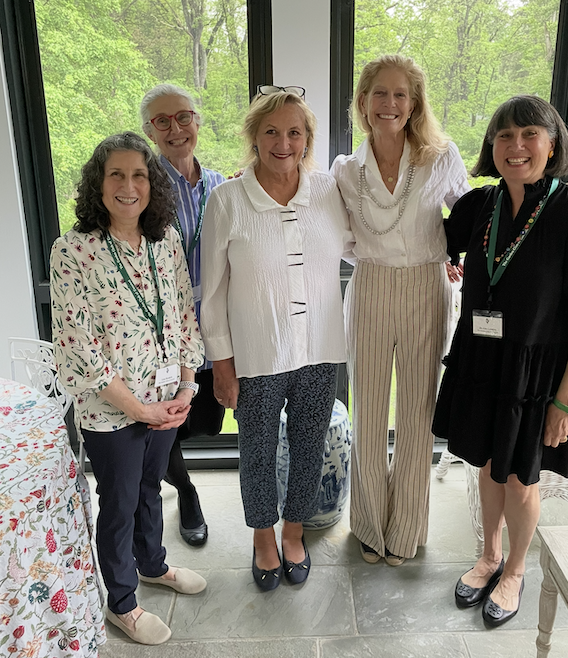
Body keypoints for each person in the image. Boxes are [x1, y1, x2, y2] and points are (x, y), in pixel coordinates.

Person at [433, 95, 568, 626]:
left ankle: (516, 570)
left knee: (522, 480)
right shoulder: (479, 206)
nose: (516, 145)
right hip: (483, 363)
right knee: (487, 464)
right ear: (492, 145)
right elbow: (428, 236)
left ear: (552, 145)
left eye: (530, 134)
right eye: (505, 135)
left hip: (537, 378)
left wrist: (565, 402)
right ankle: (489, 555)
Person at [50, 132, 207, 645]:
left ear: (152, 184)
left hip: (166, 401)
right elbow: (79, 347)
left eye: (139, 174)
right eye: (115, 174)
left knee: (149, 487)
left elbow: (183, 316)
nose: (128, 185)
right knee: (118, 502)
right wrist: (138, 409)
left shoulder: (166, 242)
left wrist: (187, 387)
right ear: (98, 184)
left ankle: (152, 564)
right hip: (112, 410)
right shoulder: (73, 251)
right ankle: (121, 602)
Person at [200, 86, 354, 590]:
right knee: (257, 452)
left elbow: (365, 242)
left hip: (320, 350)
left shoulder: (329, 191)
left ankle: (294, 532)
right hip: (256, 355)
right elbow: (212, 292)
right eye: (271, 131)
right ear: (254, 137)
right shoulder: (227, 200)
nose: (283, 143)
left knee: (310, 448)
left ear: (308, 138)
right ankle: (263, 537)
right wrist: (222, 364)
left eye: (294, 132)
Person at [330, 55, 470, 566]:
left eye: (400, 94)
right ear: (363, 101)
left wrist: (453, 256)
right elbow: (333, 232)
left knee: (417, 411)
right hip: (369, 284)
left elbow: (471, 214)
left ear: (413, 105)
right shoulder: (345, 170)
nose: (389, 103)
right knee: (368, 409)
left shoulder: (440, 156)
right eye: (379, 93)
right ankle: (369, 525)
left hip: (426, 286)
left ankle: (406, 527)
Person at [141, 83, 226, 547]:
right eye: (162, 121)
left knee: (207, 417)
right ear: (149, 130)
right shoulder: (142, 187)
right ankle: (186, 491)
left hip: (214, 322)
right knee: (166, 423)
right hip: (163, 330)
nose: (175, 128)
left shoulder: (220, 184)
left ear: (197, 121)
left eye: (183, 117)